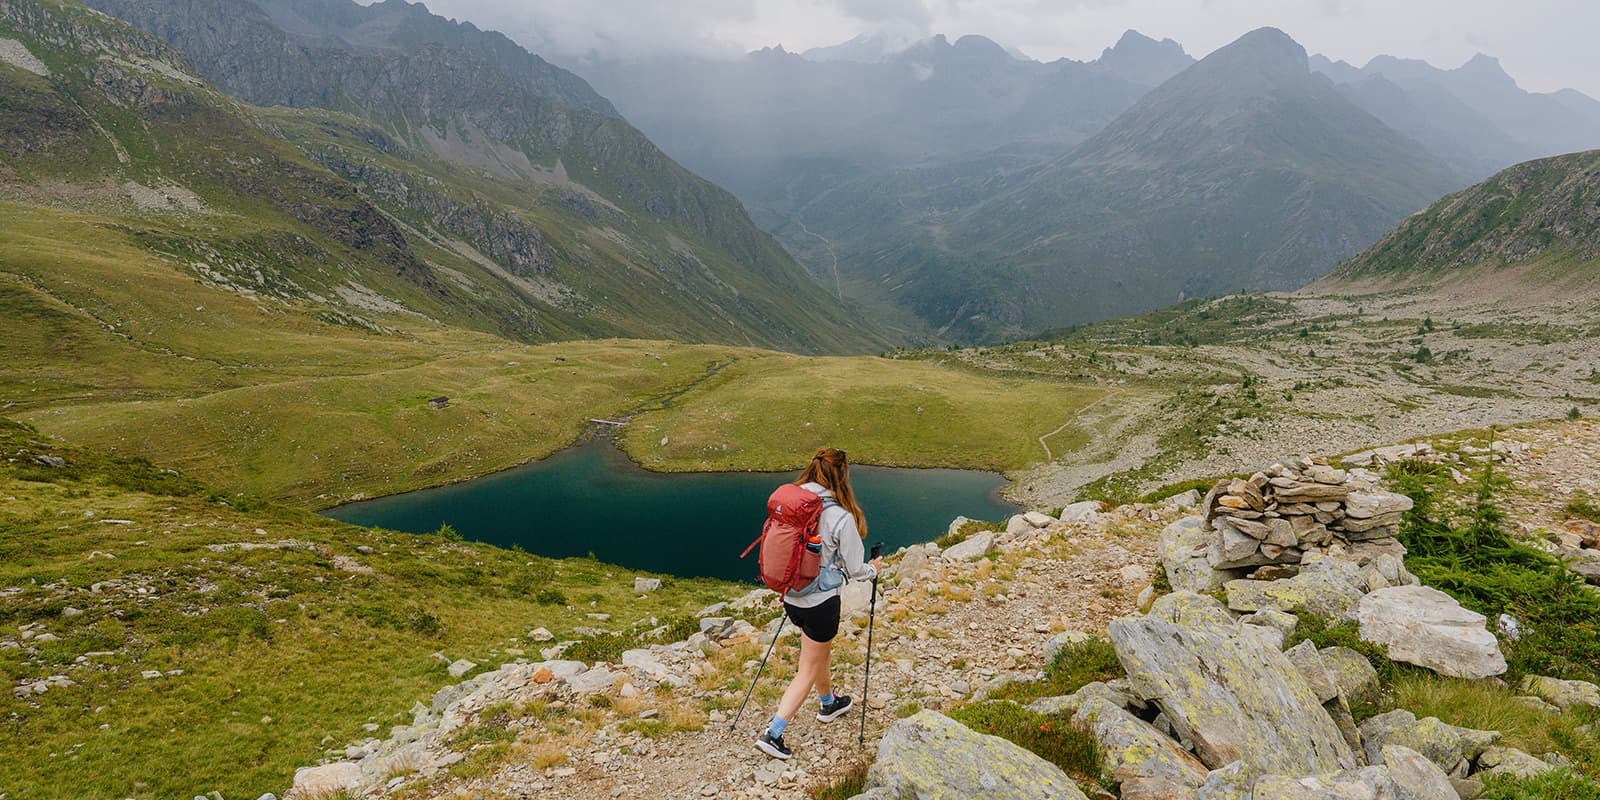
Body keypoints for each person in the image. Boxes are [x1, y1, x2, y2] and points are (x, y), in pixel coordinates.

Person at [755, 447, 883, 760]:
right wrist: (875, 568)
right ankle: (773, 733)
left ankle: (828, 703)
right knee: (808, 668)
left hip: (792, 598)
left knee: (817, 652)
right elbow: (855, 570)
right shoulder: (840, 516)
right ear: (843, 476)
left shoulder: (794, 500)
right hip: (821, 603)